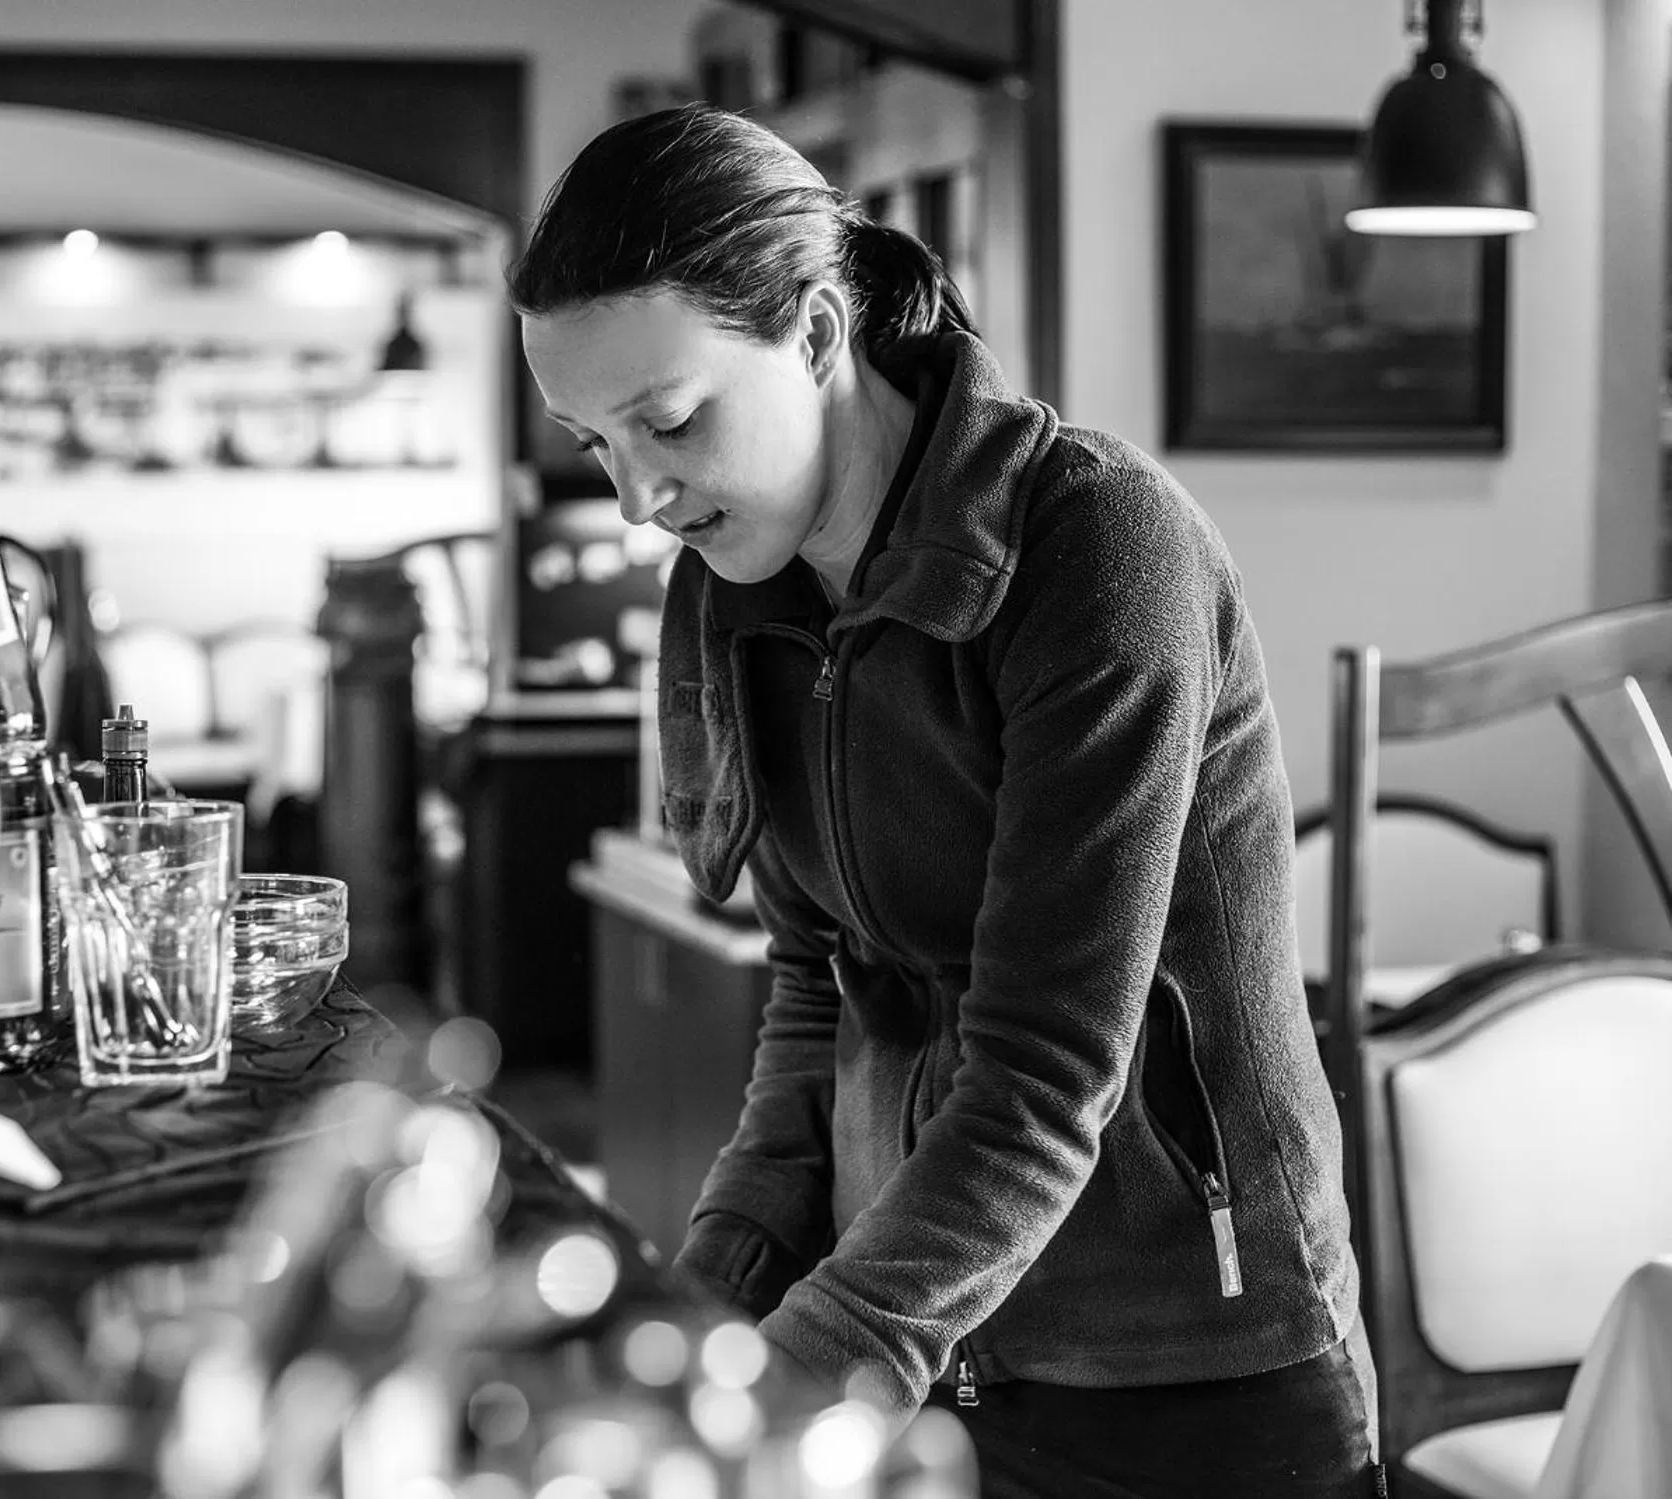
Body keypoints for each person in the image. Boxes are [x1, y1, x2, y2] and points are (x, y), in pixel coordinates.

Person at [511, 104, 1379, 1499]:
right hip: (934, 1348)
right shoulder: (737, 587)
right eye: (590, 443)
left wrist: (802, 1368)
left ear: (810, 333)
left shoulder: (1098, 548)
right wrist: (700, 1314)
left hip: (1190, 1370)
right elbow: (819, 989)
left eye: (665, 420)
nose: (635, 497)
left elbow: (1043, 1069)